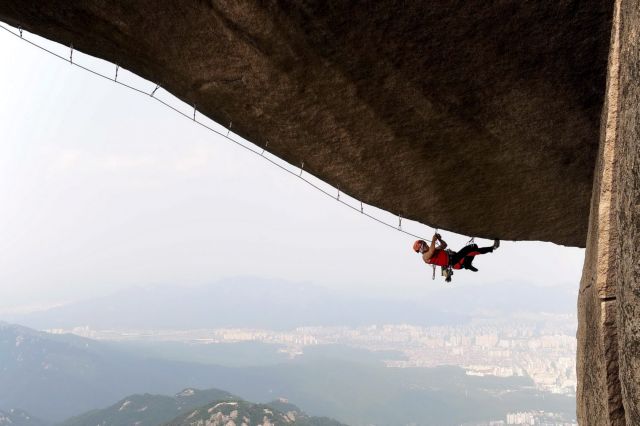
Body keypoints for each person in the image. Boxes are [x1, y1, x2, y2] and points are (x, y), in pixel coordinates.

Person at [413, 233, 499, 278]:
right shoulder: (425, 257)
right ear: (421, 249)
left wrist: (439, 239)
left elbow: (444, 245)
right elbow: (431, 252)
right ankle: (493, 248)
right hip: (453, 262)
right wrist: (433, 240)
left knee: (473, 246)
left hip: (455, 257)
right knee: (472, 251)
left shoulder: (435, 249)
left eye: (424, 243)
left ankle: (468, 264)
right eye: (423, 245)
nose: (426, 245)